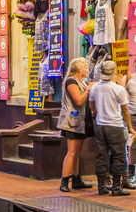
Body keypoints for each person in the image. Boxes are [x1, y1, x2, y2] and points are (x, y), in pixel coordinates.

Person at [89, 60, 136, 196]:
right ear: (113, 73)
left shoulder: (95, 87)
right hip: (115, 126)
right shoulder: (118, 89)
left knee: (101, 156)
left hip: (100, 125)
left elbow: (92, 105)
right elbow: (125, 109)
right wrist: (131, 128)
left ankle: (101, 186)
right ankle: (116, 187)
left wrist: (96, 113)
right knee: (118, 156)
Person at [57, 57, 95, 192]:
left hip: (81, 121)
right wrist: (89, 89)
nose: (87, 70)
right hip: (73, 122)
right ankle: (64, 181)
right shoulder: (71, 81)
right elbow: (78, 101)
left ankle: (76, 178)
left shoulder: (81, 82)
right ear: (79, 69)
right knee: (72, 152)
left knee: (77, 152)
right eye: (86, 67)